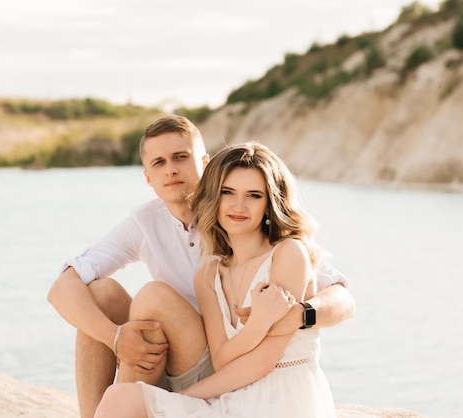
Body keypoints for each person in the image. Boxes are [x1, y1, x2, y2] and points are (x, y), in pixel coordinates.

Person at [47, 116, 354, 418]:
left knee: (153, 298)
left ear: (206, 163)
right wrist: (115, 338)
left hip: (245, 372)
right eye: (159, 163)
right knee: (99, 294)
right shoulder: (154, 230)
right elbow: (63, 287)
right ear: (148, 177)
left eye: (181, 157)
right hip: (205, 357)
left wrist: (299, 314)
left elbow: (341, 299)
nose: (171, 170)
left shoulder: (269, 240)